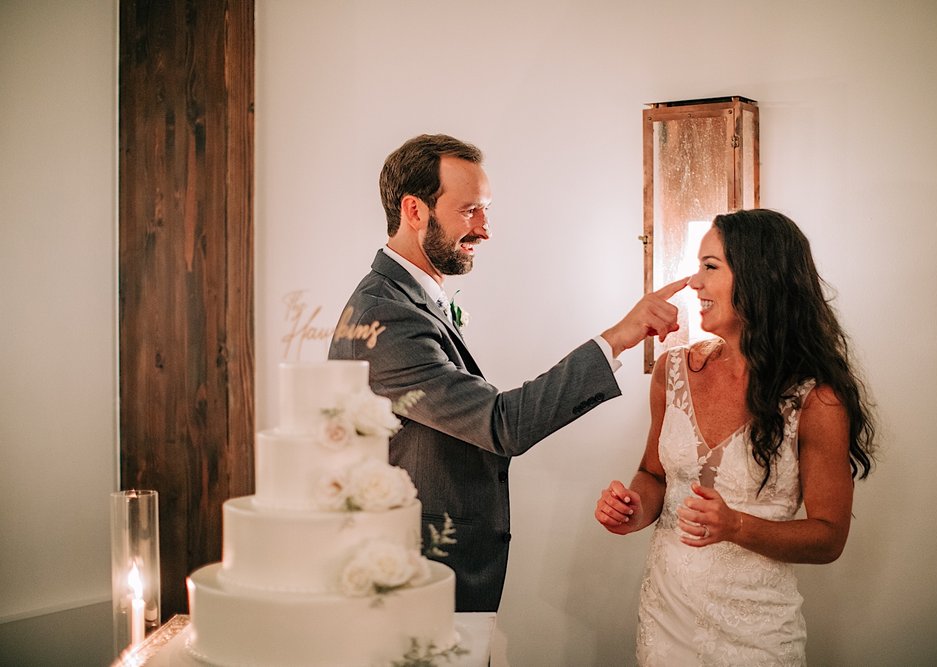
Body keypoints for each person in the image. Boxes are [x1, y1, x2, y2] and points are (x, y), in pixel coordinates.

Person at [329, 133, 687, 612]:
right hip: (414, 576)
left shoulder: (409, 300)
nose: (484, 230)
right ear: (414, 211)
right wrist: (620, 336)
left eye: (485, 210)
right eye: (469, 210)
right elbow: (500, 426)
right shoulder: (386, 316)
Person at [595, 208, 877, 665]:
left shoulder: (816, 400)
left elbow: (829, 537)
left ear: (759, 276)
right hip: (666, 618)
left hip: (756, 632)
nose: (694, 283)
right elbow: (654, 473)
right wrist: (632, 508)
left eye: (710, 267)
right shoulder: (673, 371)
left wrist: (736, 526)